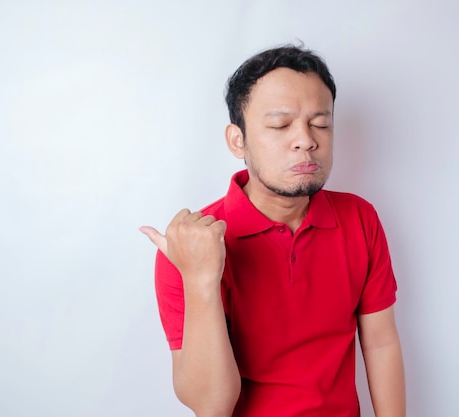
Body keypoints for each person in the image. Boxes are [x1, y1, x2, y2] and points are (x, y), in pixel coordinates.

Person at [140, 45, 406, 417]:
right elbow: (211, 406)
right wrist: (201, 278)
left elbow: (380, 344)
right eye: (281, 125)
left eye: (321, 123)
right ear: (238, 140)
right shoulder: (191, 245)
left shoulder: (360, 218)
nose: (306, 140)